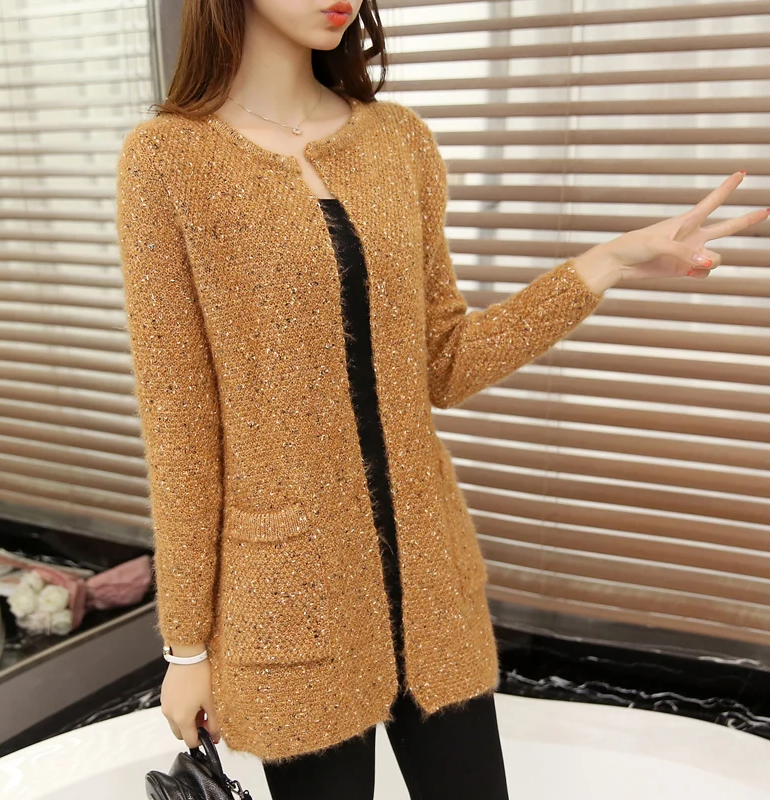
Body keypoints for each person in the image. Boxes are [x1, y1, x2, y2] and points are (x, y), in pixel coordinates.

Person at [115, 0, 768, 797]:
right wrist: (186, 646)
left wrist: (605, 265)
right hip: (289, 596)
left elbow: (445, 361)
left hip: (430, 583)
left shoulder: (399, 140)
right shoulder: (167, 160)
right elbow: (182, 428)